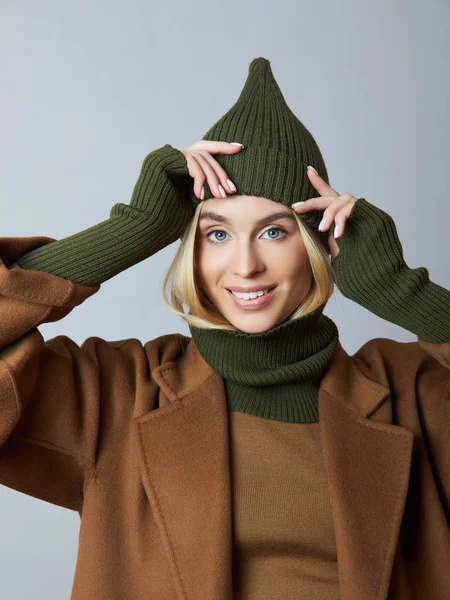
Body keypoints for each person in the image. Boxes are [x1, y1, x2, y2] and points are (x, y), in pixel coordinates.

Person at [1, 56, 449, 600]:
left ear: (317, 246)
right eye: (216, 234)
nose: (244, 266)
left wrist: (402, 291)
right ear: (191, 247)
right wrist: (131, 231)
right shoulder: (117, 394)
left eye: (275, 232)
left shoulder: (410, 392)